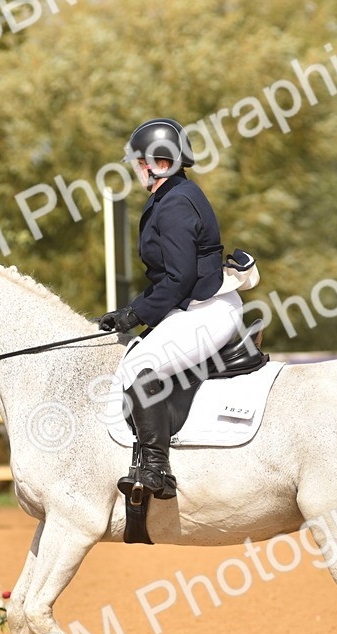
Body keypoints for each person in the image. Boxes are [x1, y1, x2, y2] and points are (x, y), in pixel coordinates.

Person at [99, 117, 259, 501]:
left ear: (161, 163)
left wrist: (134, 314)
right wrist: (132, 313)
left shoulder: (176, 203)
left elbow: (178, 279)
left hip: (207, 310)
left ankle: (156, 468)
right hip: (194, 307)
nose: (137, 169)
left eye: (141, 162)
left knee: (139, 368)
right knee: (134, 355)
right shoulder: (170, 196)